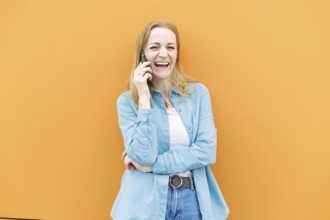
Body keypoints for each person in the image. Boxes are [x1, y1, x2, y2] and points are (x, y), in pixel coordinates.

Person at [111, 20, 229, 220]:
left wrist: (154, 166)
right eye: (154, 47)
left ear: (176, 54)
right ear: (142, 55)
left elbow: (207, 150)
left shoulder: (198, 94)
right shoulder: (127, 102)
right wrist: (144, 99)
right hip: (146, 203)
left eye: (170, 47)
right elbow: (144, 156)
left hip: (192, 200)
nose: (163, 54)